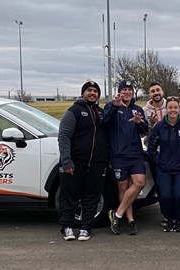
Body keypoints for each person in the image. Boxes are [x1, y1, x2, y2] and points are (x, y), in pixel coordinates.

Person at [142, 82, 180, 227]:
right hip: (160, 161)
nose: (156, 92)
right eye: (152, 91)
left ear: (162, 92)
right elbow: (145, 134)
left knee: (179, 194)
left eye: (158, 90)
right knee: (163, 192)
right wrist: (157, 160)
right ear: (149, 94)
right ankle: (167, 217)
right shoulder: (145, 111)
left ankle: (178, 218)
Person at [57, 80, 109, 241]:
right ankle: (67, 227)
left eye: (95, 91)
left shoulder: (100, 113)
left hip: (96, 164)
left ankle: (86, 227)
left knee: (92, 196)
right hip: (75, 162)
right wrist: (66, 161)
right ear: (83, 93)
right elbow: (64, 136)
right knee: (69, 196)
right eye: (89, 90)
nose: (92, 93)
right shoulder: (74, 111)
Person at [104, 80, 149, 235]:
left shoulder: (137, 110)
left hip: (135, 154)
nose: (127, 92)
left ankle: (116, 214)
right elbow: (105, 124)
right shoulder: (112, 106)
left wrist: (139, 123)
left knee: (139, 183)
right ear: (120, 92)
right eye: (124, 90)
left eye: (130, 90)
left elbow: (144, 130)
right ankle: (130, 220)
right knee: (123, 187)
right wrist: (115, 108)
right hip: (118, 154)